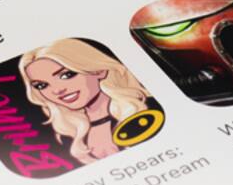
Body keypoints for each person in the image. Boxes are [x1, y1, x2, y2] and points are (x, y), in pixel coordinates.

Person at [20, 39, 152, 164]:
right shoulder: (68, 134)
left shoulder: (145, 109)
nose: (57, 90)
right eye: (41, 85)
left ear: (98, 70)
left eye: (66, 75)